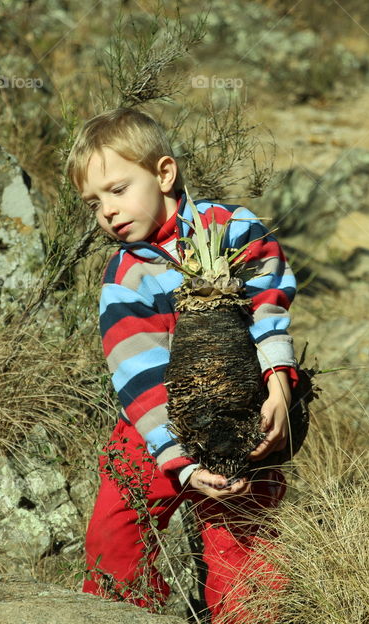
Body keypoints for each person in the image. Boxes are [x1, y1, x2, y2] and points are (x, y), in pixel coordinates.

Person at [66, 106, 300, 623]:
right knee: (115, 535)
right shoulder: (126, 277)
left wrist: (279, 387)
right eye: (93, 202)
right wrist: (180, 461)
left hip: (247, 413)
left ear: (164, 173)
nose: (107, 211)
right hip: (153, 428)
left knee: (245, 548)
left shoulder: (233, 227)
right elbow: (139, 374)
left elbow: (268, 307)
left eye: (118, 189)